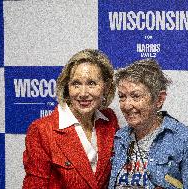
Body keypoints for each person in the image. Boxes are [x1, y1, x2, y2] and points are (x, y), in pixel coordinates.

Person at [109, 59, 188, 189]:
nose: (126, 105)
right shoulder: (119, 138)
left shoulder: (186, 141)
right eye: (122, 97)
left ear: (159, 99)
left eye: (136, 96)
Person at [23, 49, 119, 189]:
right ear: (67, 87)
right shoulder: (42, 130)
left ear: (106, 86)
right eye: (76, 84)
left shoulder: (109, 120)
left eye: (91, 83)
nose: (83, 93)